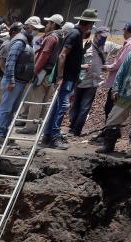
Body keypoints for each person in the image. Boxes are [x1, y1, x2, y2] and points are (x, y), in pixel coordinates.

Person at [42, 9, 97, 150]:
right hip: (66, 78)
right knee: (62, 107)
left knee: (57, 107)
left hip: (70, 77)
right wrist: (60, 77)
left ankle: (48, 135)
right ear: (89, 24)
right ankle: (53, 136)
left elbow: (71, 57)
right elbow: (62, 55)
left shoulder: (77, 35)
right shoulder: (75, 34)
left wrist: (81, 63)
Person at [0, 17, 39, 148]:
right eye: (35, 29)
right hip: (14, 81)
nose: (37, 32)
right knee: (6, 109)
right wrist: (11, 80)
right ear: (27, 27)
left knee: (12, 110)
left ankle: (4, 135)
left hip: (20, 81)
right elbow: (10, 62)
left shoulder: (27, 41)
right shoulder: (19, 41)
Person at [17, 14, 63, 134]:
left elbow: (44, 55)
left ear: (53, 24)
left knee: (36, 101)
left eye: (48, 23)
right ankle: (40, 127)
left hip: (43, 73)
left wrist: (35, 71)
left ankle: (30, 127)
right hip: (51, 74)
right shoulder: (61, 37)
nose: (46, 25)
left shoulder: (51, 38)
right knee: (44, 101)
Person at [69, 26, 117, 136]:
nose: (103, 39)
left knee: (85, 107)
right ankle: (71, 127)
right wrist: (82, 66)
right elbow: (74, 61)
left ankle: (76, 130)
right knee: (75, 105)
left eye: (105, 37)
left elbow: (124, 48)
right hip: (80, 81)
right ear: (96, 35)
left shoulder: (108, 45)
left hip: (93, 82)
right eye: (101, 37)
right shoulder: (85, 46)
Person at [102, 21, 131, 118]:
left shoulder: (130, 43)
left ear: (127, 30)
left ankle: (110, 130)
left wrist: (107, 67)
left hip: (119, 81)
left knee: (110, 107)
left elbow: (121, 63)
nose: (123, 32)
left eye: (124, 30)